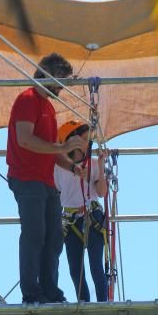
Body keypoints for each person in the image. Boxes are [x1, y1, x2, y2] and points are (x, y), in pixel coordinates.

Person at [7, 53, 87, 303]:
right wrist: (63, 149)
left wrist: (73, 167)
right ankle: (32, 293)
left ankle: (49, 289)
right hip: (27, 178)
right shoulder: (28, 99)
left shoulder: (49, 108)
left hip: (45, 181)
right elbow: (25, 139)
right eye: (60, 82)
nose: (61, 89)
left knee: (53, 237)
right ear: (49, 76)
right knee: (34, 234)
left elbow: (50, 151)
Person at [54, 120, 108, 302]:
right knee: (76, 270)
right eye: (85, 139)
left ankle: (103, 304)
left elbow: (101, 192)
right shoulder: (58, 168)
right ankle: (83, 304)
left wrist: (100, 166)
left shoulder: (92, 164)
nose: (88, 143)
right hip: (70, 220)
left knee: (95, 266)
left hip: (92, 215)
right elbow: (55, 194)